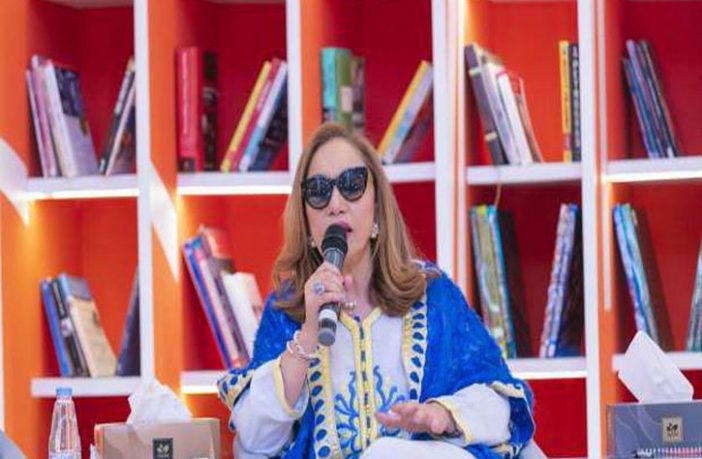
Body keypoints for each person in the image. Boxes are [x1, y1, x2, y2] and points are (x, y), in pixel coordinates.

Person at [217, 123, 535, 458]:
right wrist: (308, 334)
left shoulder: (432, 296)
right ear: (307, 222)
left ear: (377, 207)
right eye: (319, 191)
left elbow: (501, 407)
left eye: (352, 184)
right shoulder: (288, 310)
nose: (336, 204)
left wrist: (443, 415)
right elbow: (253, 442)